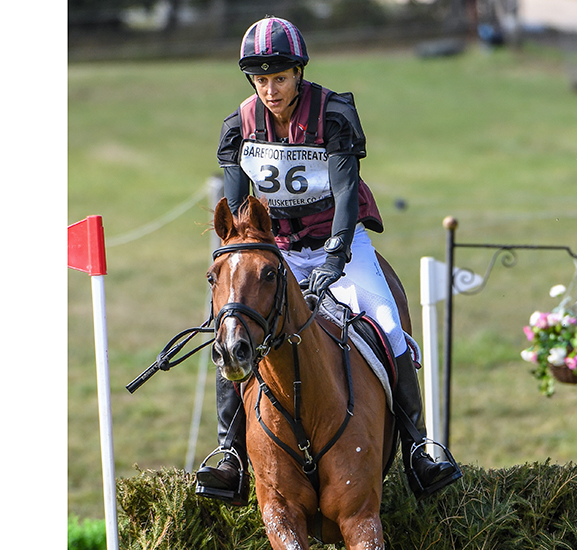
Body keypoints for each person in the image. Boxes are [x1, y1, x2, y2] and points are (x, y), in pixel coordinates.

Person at [196, 16, 461, 507]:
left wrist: (334, 258)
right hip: (278, 250)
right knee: (235, 328)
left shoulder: (333, 115)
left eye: (279, 78)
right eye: (261, 80)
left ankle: (418, 449)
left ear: (299, 73)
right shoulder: (238, 128)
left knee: (388, 324)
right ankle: (229, 453)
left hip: (340, 241)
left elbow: (344, 192)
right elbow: (238, 215)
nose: (270, 90)